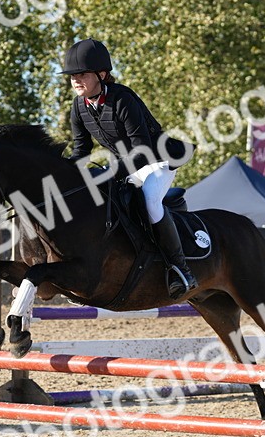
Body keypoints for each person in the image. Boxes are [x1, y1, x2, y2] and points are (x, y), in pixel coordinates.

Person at [61, 38, 197, 298]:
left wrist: (109, 174)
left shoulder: (122, 99)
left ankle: (180, 269)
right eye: (72, 76)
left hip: (156, 161)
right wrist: (65, 175)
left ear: (102, 74)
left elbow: (141, 150)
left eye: (82, 74)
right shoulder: (79, 107)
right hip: (125, 166)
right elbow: (81, 151)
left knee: (150, 203)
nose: (76, 80)